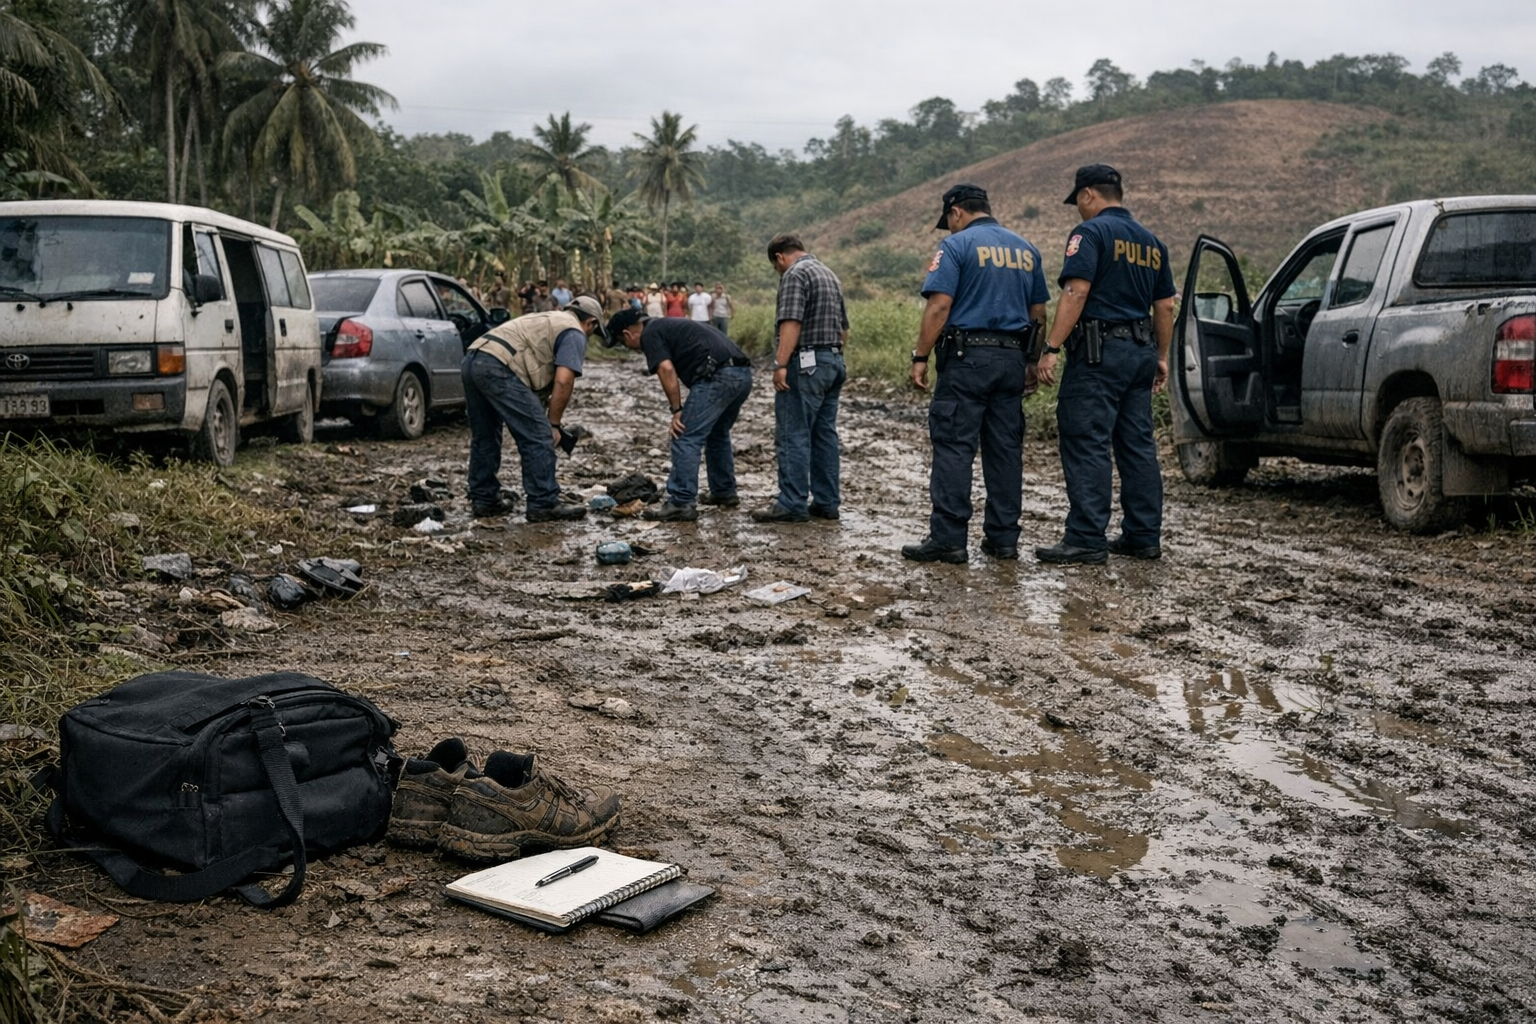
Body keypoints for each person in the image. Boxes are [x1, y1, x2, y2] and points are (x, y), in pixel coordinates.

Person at [1034, 164, 1176, 565]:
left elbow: (1076, 292)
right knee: (1137, 446)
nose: (1078, 209)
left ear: (1088, 194)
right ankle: (1143, 536)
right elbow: (1165, 305)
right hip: (1141, 352)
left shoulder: (1090, 233)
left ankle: (1085, 538)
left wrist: (1051, 348)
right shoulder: (1152, 243)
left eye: (1078, 201)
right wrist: (1161, 356)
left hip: (1099, 355)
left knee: (1087, 440)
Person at [902, 183, 1050, 564]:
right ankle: (1003, 540)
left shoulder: (956, 246)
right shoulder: (1026, 249)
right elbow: (1039, 315)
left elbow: (939, 306)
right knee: (1005, 451)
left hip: (968, 360)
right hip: (1012, 360)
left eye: (948, 221)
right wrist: (1032, 361)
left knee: (954, 446)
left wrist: (920, 355)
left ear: (956, 212)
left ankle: (949, 540)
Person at [461, 295, 608, 522]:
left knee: (485, 435)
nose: (589, 336)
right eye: (592, 331)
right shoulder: (574, 332)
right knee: (539, 436)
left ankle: (484, 498)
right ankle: (543, 502)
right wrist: (553, 424)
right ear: (590, 323)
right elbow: (564, 381)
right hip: (498, 365)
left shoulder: (546, 319)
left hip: (473, 358)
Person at [604, 308, 754, 521]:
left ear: (628, 334)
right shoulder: (666, 324)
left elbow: (665, 369)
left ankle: (681, 502)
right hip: (742, 374)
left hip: (718, 376)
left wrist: (677, 410)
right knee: (717, 433)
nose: (628, 347)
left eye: (622, 342)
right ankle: (724, 492)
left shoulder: (649, 334)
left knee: (684, 435)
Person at [752, 234, 849, 523]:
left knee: (792, 433)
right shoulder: (829, 274)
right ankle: (827, 502)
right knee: (824, 435)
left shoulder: (795, 274)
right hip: (833, 362)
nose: (778, 271)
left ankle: (792, 503)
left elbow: (791, 322)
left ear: (780, 257)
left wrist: (780, 363)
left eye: (775, 266)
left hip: (806, 363)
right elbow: (844, 329)